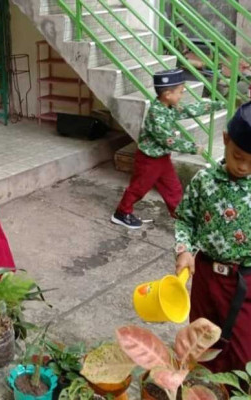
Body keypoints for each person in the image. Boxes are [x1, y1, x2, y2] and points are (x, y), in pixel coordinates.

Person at [175, 102, 251, 373]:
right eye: (239, 156)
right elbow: (185, 219)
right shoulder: (204, 180)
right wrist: (184, 250)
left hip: (244, 281)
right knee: (201, 342)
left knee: (243, 352)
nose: (244, 167)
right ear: (226, 140)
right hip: (206, 278)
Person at [111, 68, 226, 229]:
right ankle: (122, 213)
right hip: (149, 160)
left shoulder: (169, 107)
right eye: (180, 92)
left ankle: (182, 217)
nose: (182, 95)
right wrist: (192, 147)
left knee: (173, 188)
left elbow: (189, 110)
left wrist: (217, 105)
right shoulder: (156, 113)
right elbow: (168, 140)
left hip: (162, 158)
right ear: (167, 94)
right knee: (139, 188)